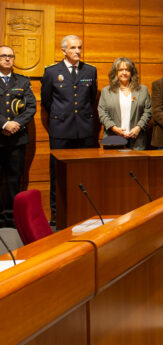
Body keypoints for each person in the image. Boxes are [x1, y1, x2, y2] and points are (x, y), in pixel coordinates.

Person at [41, 35, 98, 224]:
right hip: (61, 130)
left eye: (80, 47)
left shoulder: (90, 70)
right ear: (63, 50)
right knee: (58, 173)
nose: (77, 51)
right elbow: (47, 100)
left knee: (87, 172)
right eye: (73, 48)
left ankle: (86, 211)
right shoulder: (51, 72)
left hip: (85, 130)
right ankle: (58, 214)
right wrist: (62, 115)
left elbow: (91, 99)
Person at [0, 46, 36, 228]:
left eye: (10, 56)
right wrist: (4, 124)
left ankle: (11, 219)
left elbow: (31, 107)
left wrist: (16, 124)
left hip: (17, 139)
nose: (7, 59)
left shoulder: (22, 81)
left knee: (15, 179)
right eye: (3, 56)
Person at [97, 57, 151, 150]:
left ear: (132, 72)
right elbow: (102, 112)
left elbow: (148, 111)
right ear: (116, 72)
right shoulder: (106, 91)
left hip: (136, 140)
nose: (124, 73)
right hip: (113, 139)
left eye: (127, 70)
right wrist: (114, 128)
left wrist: (138, 128)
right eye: (121, 70)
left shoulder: (143, 90)